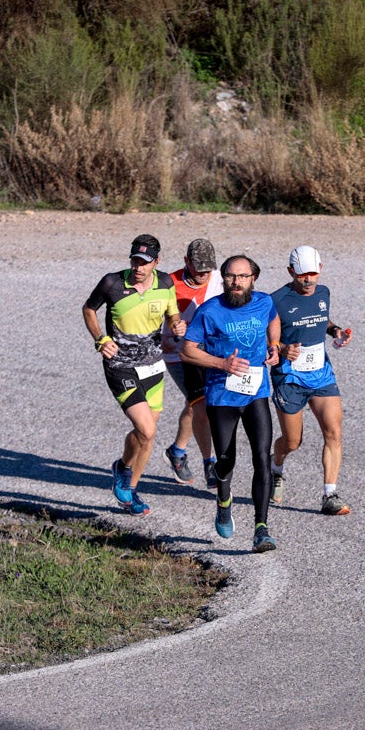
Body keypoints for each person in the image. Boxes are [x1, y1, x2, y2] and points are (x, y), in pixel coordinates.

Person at [181, 255, 281, 553]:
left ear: (253, 279)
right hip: (221, 396)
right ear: (222, 278)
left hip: (256, 393)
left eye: (242, 276)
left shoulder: (264, 302)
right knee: (226, 460)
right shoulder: (210, 311)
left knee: (262, 457)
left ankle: (261, 529)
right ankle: (223, 501)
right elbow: (187, 350)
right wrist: (221, 363)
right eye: (230, 276)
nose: (236, 282)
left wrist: (274, 346)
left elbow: (274, 320)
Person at [83, 234, 185, 516]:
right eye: (134, 260)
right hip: (121, 366)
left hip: (153, 365)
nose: (138, 267)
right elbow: (89, 309)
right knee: (147, 429)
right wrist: (100, 339)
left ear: (157, 261)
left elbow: (172, 315)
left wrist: (177, 325)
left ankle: (130, 490)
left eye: (144, 262)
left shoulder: (165, 283)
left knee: (146, 436)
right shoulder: (112, 283)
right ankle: (123, 469)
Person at [269, 245, 353, 516]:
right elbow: (263, 338)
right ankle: (276, 466)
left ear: (321, 269)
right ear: (291, 271)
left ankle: (330, 495)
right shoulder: (276, 300)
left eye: (313, 273)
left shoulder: (323, 292)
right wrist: (282, 348)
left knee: (334, 432)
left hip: (321, 374)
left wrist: (336, 331)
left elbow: (320, 320)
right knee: (293, 442)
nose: (308, 280)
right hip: (289, 378)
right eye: (302, 274)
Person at [160, 238, 223, 489]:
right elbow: (153, 320)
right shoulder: (168, 284)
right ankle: (211, 463)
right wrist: (171, 330)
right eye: (198, 267)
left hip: (209, 352)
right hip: (178, 354)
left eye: (208, 267)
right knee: (202, 406)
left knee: (196, 404)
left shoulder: (219, 279)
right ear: (186, 262)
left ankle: (176, 452)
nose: (204, 273)